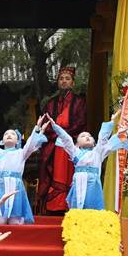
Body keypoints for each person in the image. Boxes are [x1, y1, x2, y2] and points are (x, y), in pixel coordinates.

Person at [0, 114, 48, 225]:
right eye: (6, 134)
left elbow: (30, 144)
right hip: (1, 185)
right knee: (0, 219)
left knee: (15, 220)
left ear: (18, 141)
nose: (9, 135)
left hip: (15, 185)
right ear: (2, 141)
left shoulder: (22, 153)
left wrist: (37, 128)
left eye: (13, 134)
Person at [48, 110, 126, 210]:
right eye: (83, 136)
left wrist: (111, 122)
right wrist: (55, 126)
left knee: (92, 209)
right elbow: (66, 139)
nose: (87, 137)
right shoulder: (75, 152)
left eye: (89, 136)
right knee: (78, 208)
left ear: (94, 143)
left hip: (93, 184)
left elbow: (103, 138)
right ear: (77, 144)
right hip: (78, 182)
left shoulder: (97, 152)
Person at [37, 66, 87, 215]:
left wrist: (65, 135)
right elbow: (45, 123)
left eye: (67, 79)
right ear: (57, 82)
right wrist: (55, 134)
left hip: (70, 143)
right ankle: (54, 207)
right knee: (52, 173)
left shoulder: (80, 102)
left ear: (73, 82)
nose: (64, 81)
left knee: (69, 175)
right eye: (61, 79)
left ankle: (69, 205)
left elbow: (81, 122)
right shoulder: (50, 103)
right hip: (53, 143)